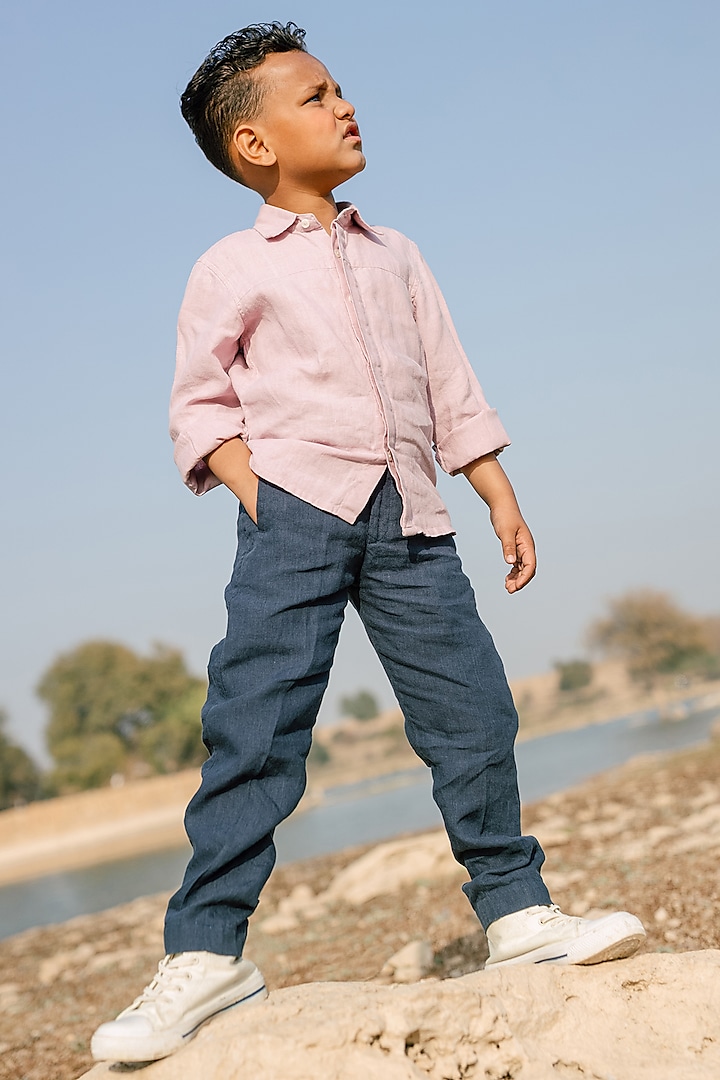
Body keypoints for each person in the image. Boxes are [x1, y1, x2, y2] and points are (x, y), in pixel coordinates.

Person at [90, 21, 645, 1064]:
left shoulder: (400, 255)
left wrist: (497, 492)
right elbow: (199, 404)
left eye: (342, 88)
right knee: (254, 730)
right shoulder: (229, 265)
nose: (345, 105)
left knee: (473, 710)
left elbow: (450, 383)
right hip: (295, 516)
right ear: (254, 145)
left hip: (415, 517)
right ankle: (208, 955)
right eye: (316, 96)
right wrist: (266, 496)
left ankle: (518, 912)